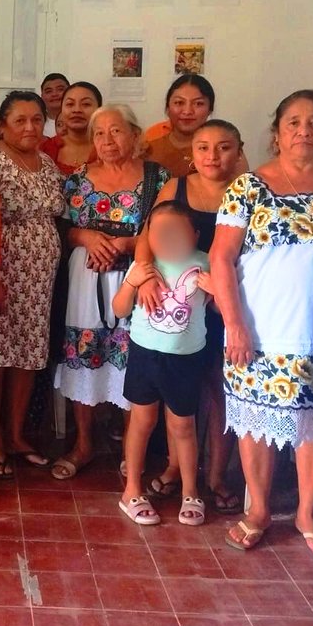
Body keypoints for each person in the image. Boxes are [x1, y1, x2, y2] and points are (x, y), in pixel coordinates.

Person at [211, 89, 313, 555]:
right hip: (260, 330)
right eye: (293, 122)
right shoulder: (248, 187)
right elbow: (221, 258)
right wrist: (234, 324)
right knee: (256, 426)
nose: (304, 130)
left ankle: (306, 513)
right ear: (276, 133)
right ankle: (256, 510)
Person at [134, 119, 245, 514]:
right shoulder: (175, 187)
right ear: (191, 153)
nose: (212, 156)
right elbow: (147, 236)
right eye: (203, 147)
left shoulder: (250, 191)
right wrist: (144, 279)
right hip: (178, 302)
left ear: (239, 149)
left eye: (223, 147)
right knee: (178, 391)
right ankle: (176, 469)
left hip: (226, 300)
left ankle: (216, 476)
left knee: (220, 387)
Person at [53, 105, 167, 480]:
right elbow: (64, 230)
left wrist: (126, 244)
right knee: (84, 351)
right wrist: (87, 236)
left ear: (135, 135)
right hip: (87, 279)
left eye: (116, 131)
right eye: (99, 133)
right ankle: (84, 443)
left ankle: (129, 448)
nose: (107, 140)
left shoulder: (157, 178)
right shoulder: (77, 179)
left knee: (131, 355)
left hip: (137, 275)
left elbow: (167, 230)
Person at [0, 91, 63, 478]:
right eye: (20, 120)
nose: (29, 127)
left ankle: (17, 435)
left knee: (28, 354)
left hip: (40, 280)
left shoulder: (47, 163)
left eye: (36, 120)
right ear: (3, 125)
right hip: (2, 273)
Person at [114, 202, 211, 526]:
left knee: (183, 426)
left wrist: (217, 289)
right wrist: (132, 282)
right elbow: (118, 308)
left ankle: (191, 491)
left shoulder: (204, 264)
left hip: (186, 358)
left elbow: (216, 306)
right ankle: (131, 490)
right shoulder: (144, 267)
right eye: (159, 233)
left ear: (194, 235)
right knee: (142, 421)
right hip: (145, 355)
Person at [143, 74, 247, 179]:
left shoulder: (226, 149)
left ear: (210, 110)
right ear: (168, 108)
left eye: (198, 104)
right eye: (179, 103)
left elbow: (242, 191)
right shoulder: (149, 149)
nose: (187, 111)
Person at [41, 81, 102, 176]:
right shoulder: (45, 149)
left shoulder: (109, 148)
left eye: (86, 104)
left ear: (99, 109)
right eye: (70, 104)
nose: (77, 110)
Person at [40, 72, 69, 138]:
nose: (54, 94)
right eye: (49, 91)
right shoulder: (37, 123)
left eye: (60, 89)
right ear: (42, 97)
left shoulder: (79, 121)